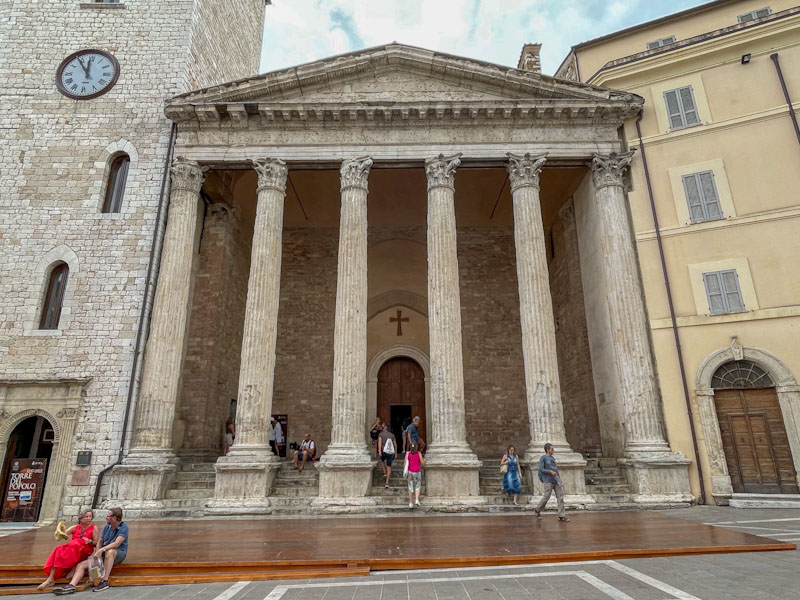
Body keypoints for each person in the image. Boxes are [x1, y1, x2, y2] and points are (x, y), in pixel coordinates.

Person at [54, 507, 129, 595]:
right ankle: (71, 585)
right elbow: (100, 540)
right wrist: (97, 553)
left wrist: (101, 549)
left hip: (118, 553)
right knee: (81, 565)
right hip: (103, 553)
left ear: (115, 518)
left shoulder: (124, 527)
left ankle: (104, 581)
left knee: (110, 552)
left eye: (108, 516)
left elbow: (116, 544)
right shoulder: (107, 527)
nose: (106, 517)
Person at [39, 509, 98, 589]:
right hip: (73, 549)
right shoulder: (75, 527)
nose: (88, 518)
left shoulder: (94, 528)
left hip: (85, 549)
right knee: (58, 549)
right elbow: (62, 535)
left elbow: (96, 543)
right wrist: (61, 530)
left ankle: (73, 568)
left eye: (90, 516)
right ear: (80, 518)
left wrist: (89, 541)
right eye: (86, 517)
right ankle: (50, 578)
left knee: (76, 544)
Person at [535, 442, 569, 522]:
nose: (553, 450)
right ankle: (538, 509)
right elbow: (541, 469)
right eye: (552, 448)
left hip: (555, 479)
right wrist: (550, 471)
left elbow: (555, 469)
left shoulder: (553, 458)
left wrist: (559, 477)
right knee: (547, 496)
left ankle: (562, 515)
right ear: (547, 450)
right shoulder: (543, 458)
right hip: (548, 480)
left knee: (560, 497)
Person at [405, 443, 425, 508]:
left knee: (410, 487)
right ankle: (416, 499)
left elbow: (405, 463)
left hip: (410, 472)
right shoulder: (419, 453)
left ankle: (410, 503)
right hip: (417, 472)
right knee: (417, 486)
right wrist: (424, 460)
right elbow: (422, 463)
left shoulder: (408, 454)